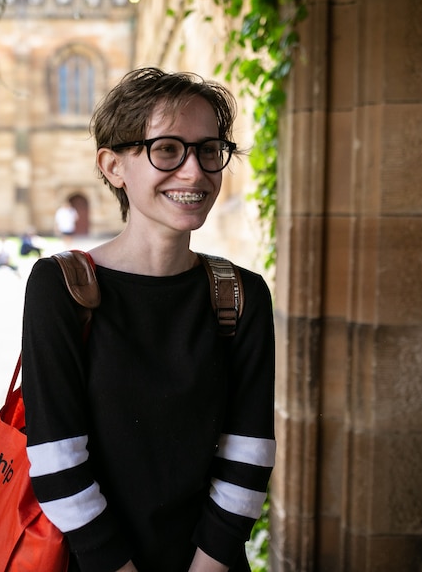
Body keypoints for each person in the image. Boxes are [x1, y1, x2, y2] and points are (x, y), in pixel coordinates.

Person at [21, 67, 276, 572]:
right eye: (166, 149)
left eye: (209, 150)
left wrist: (208, 565)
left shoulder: (242, 294)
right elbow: (56, 459)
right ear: (114, 166)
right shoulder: (61, 288)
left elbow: (248, 450)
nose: (195, 172)